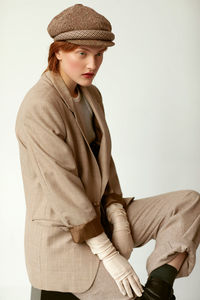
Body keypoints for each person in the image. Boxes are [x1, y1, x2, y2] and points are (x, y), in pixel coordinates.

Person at [15, 4, 200, 300]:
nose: (92, 64)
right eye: (82, 53)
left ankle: (160, 286)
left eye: (99, 54)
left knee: (188, 204)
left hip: (100, 214)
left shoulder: (90, 94)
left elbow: (104, 163)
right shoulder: (40, 106)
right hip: (65, 237)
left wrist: (118, 216)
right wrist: (109, 255)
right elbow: (63, 191)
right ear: (58, 52)